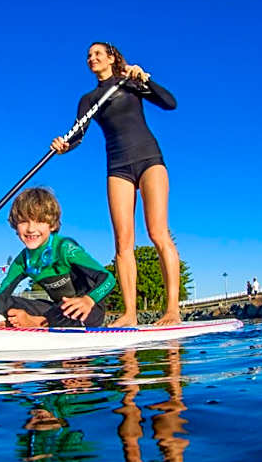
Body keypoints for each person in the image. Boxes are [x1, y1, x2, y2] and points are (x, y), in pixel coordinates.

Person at [51, 42, 180, 326]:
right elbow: (78, 134)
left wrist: (145, 79)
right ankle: (130, 313)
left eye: (98, 54)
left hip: (149, 159)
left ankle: (172, 310)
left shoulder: (130, 82)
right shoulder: (88, 99)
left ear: (112, 58)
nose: (91, 58)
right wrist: (64, 146)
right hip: (117, 167)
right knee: (123, 243)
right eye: (88, 55)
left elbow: (170, 103)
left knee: (158, 232)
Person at [0, 187, 116, 329]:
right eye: (24, 221)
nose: (31, 228)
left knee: (73, 310)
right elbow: (1, 293)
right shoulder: (23, 261)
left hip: (87, 309)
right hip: (56, 310)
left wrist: (89, 299)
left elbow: (108, 278)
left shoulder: (64, 248)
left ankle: (36, 322)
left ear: (52, 224)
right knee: (6, 301)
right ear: (15, 225)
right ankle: (26, 321)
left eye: (39, 221)